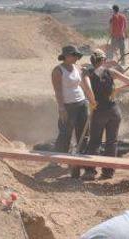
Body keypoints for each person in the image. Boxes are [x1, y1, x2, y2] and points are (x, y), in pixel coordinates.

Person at [82, 49, 129, 179]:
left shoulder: (88, 74)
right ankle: (108, 172)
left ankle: (90, 171)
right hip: (113, 110)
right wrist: (117, 90)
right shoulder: (111, 72)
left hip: (99, 111)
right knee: (112, 142)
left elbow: (88, 89)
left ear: (92, 61)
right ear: (104, 61)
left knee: (95, 141)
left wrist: (92, 101)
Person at [51, 45, 90, 178]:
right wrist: (61, 108)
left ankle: (79, 158)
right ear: (66, 56)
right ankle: (59, 159)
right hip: (68, 105)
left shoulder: (77, 68)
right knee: (65, 133)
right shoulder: (58, 70)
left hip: (81, 103)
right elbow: (58, 91)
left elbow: (81, 84)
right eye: (73, 55)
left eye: (76, 55)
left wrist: (88, 99)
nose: (76, 58)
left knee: (83, 132)